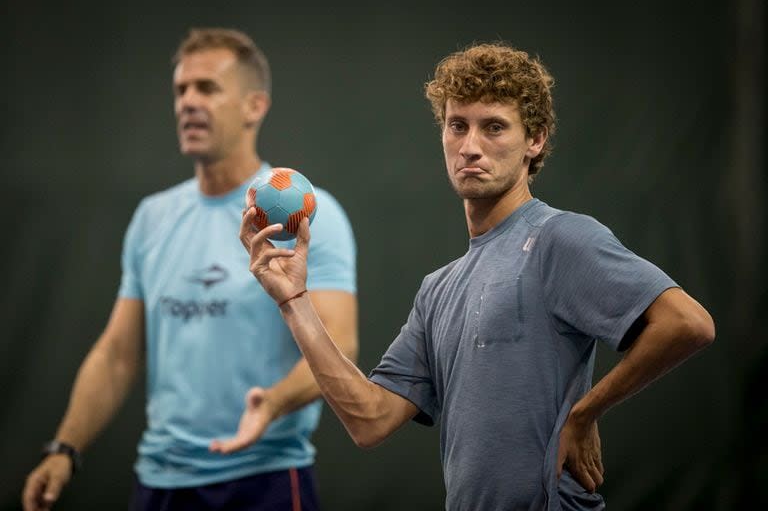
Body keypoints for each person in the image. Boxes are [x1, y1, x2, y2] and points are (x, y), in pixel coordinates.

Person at [236, 42, 715, 510]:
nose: (470, 147)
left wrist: (585, 412)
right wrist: (293, 300)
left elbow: (687, 323)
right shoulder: (438, 289)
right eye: (457, 126)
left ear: (536, 139)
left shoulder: (560, 238)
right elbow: (370, 421)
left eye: (494, 128)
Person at [22, 28, 357, 511]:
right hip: (159, 482)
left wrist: (272, 404)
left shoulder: (306, 214)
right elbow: (117, 355)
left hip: (264, 480)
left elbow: (339, 346)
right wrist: (64, 447)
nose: (188, 102)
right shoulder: (151, 218)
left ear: (254, 106)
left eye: (208, 88)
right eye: (181, 90)